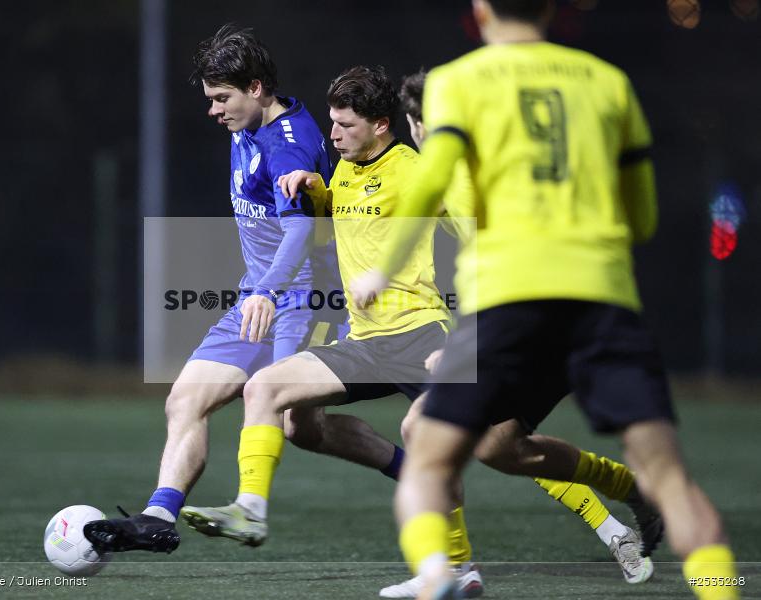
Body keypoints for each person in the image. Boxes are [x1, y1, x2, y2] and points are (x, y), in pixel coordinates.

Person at [181, 65, 657, 596]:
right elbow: (341, 210)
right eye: (332, 124)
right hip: (364, 341)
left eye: (345, 126)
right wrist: (312, 189)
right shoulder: (340, 169)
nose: (331, 135)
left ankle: (617, 513)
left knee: (503, 446)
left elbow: (478, 238)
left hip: (422, 338)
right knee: (265, 389)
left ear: (382, 125)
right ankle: (252, 510)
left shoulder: (416, 170)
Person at [350, 2, 739, 599]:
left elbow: (431, 185)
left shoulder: (459, 83)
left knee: (423, 447)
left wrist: (384, 267)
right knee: (667, 479)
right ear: (553, 7)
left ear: (480, 10)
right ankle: (718, 585)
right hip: (601, 296)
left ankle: (440, 575)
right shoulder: (608, 82)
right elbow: (643, 216)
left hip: (511, 295)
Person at [83, 23, 347, 555]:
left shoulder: (288, 145)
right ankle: (159, 515)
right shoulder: (244, 125)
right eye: (209, 98)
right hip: (257, 298)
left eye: (222, 97)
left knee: (301, 427)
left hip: (304, 302)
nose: (213, 110)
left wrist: (267, 292)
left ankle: (408, 467)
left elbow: (299, 229)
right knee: (185, 400)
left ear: (256, 88)